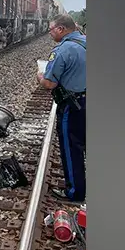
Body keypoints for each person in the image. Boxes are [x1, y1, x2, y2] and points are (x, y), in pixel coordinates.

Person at [38, 14, 86, 204]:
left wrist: (40, 77)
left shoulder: (63, 50)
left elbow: (49, 83)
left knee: (72, 146)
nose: (50, 33)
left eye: (51, 29)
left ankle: (75, 192)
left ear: (61, 29)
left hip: (73, 106)